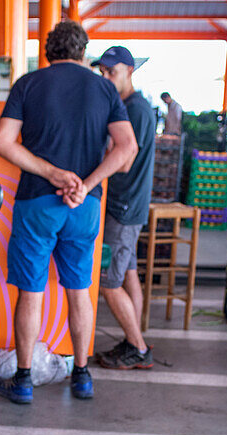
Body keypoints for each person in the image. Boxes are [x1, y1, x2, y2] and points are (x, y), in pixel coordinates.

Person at [0, 19, 137, 404]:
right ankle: (82, 375)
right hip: (84, 206)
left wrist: (51, 172)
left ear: (48, 53)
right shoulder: (105, 88)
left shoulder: (29, 84)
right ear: (83, 53)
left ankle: (23, 380)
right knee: (79, 291)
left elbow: (2, 142)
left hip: (37, 201)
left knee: (31, 292)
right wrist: (85, 184)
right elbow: (127, 149)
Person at [93, 46, 155, 370]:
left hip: (124, 203)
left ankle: (138, 347)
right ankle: (136, 338)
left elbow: (125, 159)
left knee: (109, 284)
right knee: (128, 272)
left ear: (129, 70)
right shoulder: (132, 105)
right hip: (129, 203)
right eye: (101, 71)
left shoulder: (134, 109)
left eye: (111, 72)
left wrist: (91, 173)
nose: (105, 77)